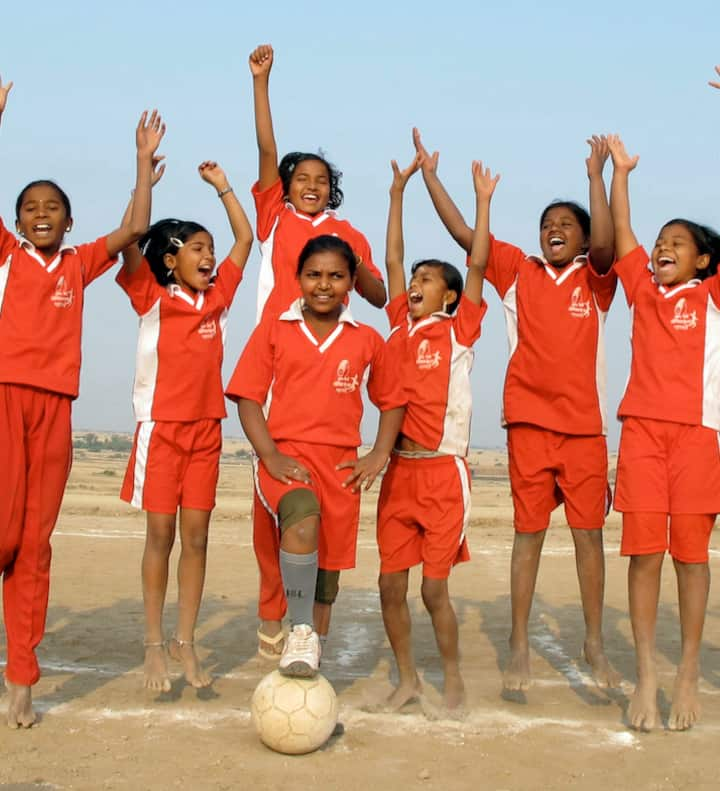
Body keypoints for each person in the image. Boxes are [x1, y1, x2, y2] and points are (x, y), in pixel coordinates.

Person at [412, 129, 619, 692]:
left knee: (587, 538)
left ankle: (594, 644)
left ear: (581, 238)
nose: (554, 230)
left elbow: (605, 244)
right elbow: (463, 234)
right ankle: (519, 642)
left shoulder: (597, 280)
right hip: (528, 424)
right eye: (546, 224)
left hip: (583, 431)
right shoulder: (517, 269)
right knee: (528, 536)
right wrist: (431, 175)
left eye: (565, 225)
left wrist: (596, 176)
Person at [0, 74, 164, 727]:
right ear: (17, 221)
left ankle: (22, 679)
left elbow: (137, 226)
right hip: (6, 399)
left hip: (55, 411)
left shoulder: (78, 263)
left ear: (69, 221)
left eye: (52, 208)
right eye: (30, 207)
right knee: (5, 536)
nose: (41, 215)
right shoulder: (10, 255)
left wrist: (141, 167)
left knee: (34, 546)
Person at [248, 43, 387, 660]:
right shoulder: (274, 218)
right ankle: (277, 611)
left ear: (333, 192)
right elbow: (267, 152)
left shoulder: (348, 237)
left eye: (321, 181)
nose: (309, 186)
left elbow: (381, 295)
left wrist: (354, 267)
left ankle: (303, 632)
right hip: (281, 358)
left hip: (331, 365)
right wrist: (262, 83)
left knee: (317, 530)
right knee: (281, 506)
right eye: (301, 179)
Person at [226, 234, 405, 677]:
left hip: (340, 466)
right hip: (285, 457)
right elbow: (247, 397)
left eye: (335, 276)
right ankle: (297, 628)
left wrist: (379, 451)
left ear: (350, 282)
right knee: (301, 516)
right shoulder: (275, 329)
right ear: (298, 278)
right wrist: (268, 454)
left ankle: (310, 648)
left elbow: (393, 399)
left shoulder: (366, 339)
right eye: (313, 275)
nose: (323, 284)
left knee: (327, 572)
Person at [117, 161, 253, 692]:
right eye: (198, 248)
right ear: (171, 260)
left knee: (196, 538)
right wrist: (143, 179)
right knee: (161, 534)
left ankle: (186, 640)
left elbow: (246, 236)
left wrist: (223, 186)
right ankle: (154, 645)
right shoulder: (151, 298)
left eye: (210, 249)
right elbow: (131, 237)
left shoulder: (218, 298)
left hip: (206, 431)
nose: (211, 256)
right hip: (162, 431)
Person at [608, 116, 720, 731]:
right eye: (660, 241)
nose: (662, 247)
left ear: (703, 258)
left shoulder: (713, 295)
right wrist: (620, 175)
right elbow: (623, 233)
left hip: (699, 436)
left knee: (691, 560)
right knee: (645, 555)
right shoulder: (643, 293)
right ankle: (649, 673)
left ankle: (687, 673)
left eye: (677, 241)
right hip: (643, 435)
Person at [375, 153, 492, 713]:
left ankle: (453, 680)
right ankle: (407, 679)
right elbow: (392, 257)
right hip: (399, 471)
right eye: (415, 280)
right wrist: (397, 192)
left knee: (433, 590)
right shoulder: (400, 324)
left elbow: (477, 263)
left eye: (428, 280)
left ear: (448, 295)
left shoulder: (460, 327)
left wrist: (483, 204)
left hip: (444, 474)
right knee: (390, 585)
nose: (416, 284)